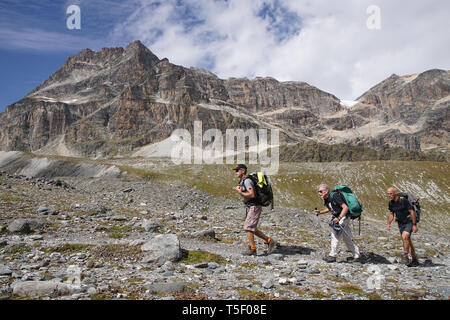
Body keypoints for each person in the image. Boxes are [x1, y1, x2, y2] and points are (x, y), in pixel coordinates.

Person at [233, 164, 277, 256]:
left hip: (254, 206)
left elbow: (252, 194)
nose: (235, 172)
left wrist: (240, 192)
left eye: (237, 170)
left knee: (248, 227)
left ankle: (253, 249)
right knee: (252, 228)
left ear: (243, 171)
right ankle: (270, 241)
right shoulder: (243, 181)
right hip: (250, 206)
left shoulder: (247, 181)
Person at [314, 184, 361, 263]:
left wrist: (339, 218)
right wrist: (320, 212)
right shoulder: (327, 199)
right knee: (347, 236)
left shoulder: (335, 196)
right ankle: (356, 255)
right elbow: (330, 208)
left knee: (335, 235)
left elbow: (345, 207)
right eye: (318, 192)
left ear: (326, 191)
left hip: (343, 217)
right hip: (341, 218)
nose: (319, 193)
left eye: (321, 191)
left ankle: (332, 255)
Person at [386, 187, 419, 267]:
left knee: (405, 236)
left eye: (391, 193)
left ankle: (405, 256)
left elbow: (412, 212)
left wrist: (414, 225)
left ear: (395, 193)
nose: (389, 195)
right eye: (388, 194)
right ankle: (414, 259)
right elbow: (391, 214)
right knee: (407, 240)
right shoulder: (391, 203)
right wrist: (389, 223)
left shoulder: (403, 201)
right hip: (400, 223)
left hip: (409, 221)